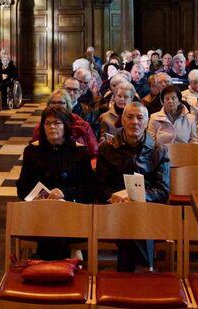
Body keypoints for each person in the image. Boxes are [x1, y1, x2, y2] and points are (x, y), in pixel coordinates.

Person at [95, 101, 170, 271]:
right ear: (122, 119)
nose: (134, 122)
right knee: (129, 217)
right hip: (115, 209)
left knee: (136, 216)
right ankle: (145, 269)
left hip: (148, 210)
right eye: (129, 117)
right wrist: (115, 195)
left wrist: (137, 197)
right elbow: (100, 187)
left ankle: (127, 275)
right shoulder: (107, 148)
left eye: (139, 117)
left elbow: (163, 190)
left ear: (147, 121)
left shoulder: (159, 150)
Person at [16, 107, 95, 260]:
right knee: (50, 223)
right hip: (40, 212)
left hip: (72, 212)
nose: (52, 127)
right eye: (47, 123)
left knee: (55, 226)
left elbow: (89, 189)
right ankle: (60, 269)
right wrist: (37, 197)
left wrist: (65, 193)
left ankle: (50, 269)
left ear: (66, 126)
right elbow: (22, 187)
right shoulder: (32, 151)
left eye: (57, 123)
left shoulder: (80, 152)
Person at [31, 89, 98, 156]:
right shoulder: (41, 126)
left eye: (61, 103)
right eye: (53, 103)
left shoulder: (82, 125)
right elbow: (34, 150)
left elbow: (94, 150)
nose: (56, 105)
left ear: (68, 104)